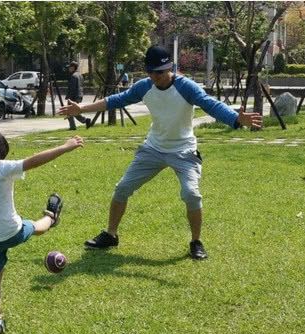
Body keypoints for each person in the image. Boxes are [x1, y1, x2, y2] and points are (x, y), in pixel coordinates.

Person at [59, 46, 262, 259]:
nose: (155, 76)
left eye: (160, 72)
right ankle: (111, 235)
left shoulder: (186, 87)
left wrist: (235, 118)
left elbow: (210, 104)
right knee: (122, 188)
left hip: (184, 150)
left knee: (191, 194)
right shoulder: (144, 86)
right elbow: (116, 100)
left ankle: (196, 242)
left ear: (170, 68)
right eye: (151, 72)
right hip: (153, 148)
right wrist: (81, 109)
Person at [0, 129, 84, 334]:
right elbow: (34, 161)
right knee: (36, 227)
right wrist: (65, 146)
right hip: (12, 231)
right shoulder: (2, 168)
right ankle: (52, 216)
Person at [66, 61, 91, 130]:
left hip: (73, 96)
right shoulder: (80, 75)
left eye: (70, 67)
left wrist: (69, 98)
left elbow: (72, 89)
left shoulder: (74, 76)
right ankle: (85, 120)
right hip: (79, 95)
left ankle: (73, 126)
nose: (69, 69)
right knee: (73, 111)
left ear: (73, 67)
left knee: (69, 111)